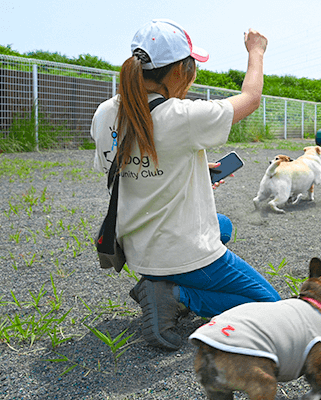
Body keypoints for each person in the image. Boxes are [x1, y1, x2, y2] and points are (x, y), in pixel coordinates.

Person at [90, 19, 281, 350]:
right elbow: (250, 98)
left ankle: (156, 281)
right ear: (180, 71)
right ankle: (175, 296)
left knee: (223, 226)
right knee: (272, 307)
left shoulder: (105, 113)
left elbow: (130, 166)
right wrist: (257, 50)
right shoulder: (183, 116)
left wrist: (192, 169)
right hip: (178, 251)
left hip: (137, 248)